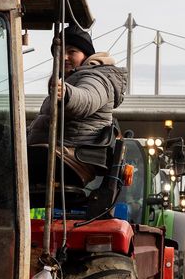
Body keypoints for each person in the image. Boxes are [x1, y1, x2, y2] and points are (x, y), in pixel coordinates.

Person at [28, 24, 128, 181]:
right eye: (60, 53)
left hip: (70, 158)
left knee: (5, 157)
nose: (64, 57)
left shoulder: (96, 78)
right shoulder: (69, 80)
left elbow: (86, 99)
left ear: (86, 55)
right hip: (57, 151)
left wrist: (67, 94)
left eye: (71, 52)